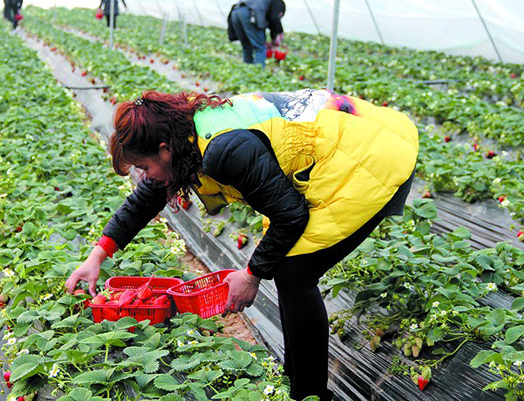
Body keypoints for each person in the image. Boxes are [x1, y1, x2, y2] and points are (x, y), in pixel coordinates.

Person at [65, 89, 418, 401]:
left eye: (143, 166)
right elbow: (146, 198)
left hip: (369, 159)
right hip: (333, 150)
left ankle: (309, 394)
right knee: (287, 267)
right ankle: (298, 385)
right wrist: (98, 255)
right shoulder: (183, 139)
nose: (146, 175)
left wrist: (251, 275)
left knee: (295, 273)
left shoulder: (223, 149)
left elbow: (290, 216)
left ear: (163, 150)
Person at [227, 0, 286, 67]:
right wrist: (277, 34)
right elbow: (274, 18)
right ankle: (258, 74)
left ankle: (248, 71)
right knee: (259, 48)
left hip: (235, 13)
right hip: (249, 14)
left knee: (246, 47)